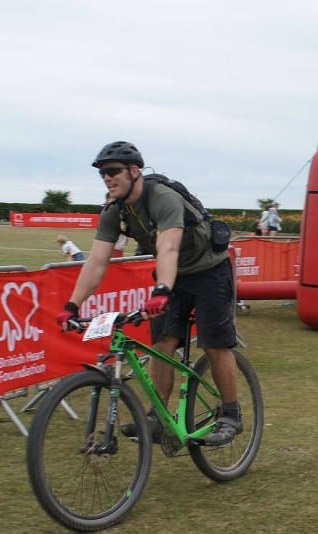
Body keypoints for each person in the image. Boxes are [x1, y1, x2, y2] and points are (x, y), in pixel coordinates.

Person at [55, 141, 242, 446]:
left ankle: (231, 415)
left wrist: (162, 291)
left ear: (134, 171)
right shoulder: (114, 211)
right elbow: (97, 261)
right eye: (102, 173)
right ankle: (157, 418)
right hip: (173, 277)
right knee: (161, 343)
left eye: (113, 171)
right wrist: (71, 304)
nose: (107, 178)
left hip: (209, 271)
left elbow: (168, 247)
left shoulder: (163, 198)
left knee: (213, 343)